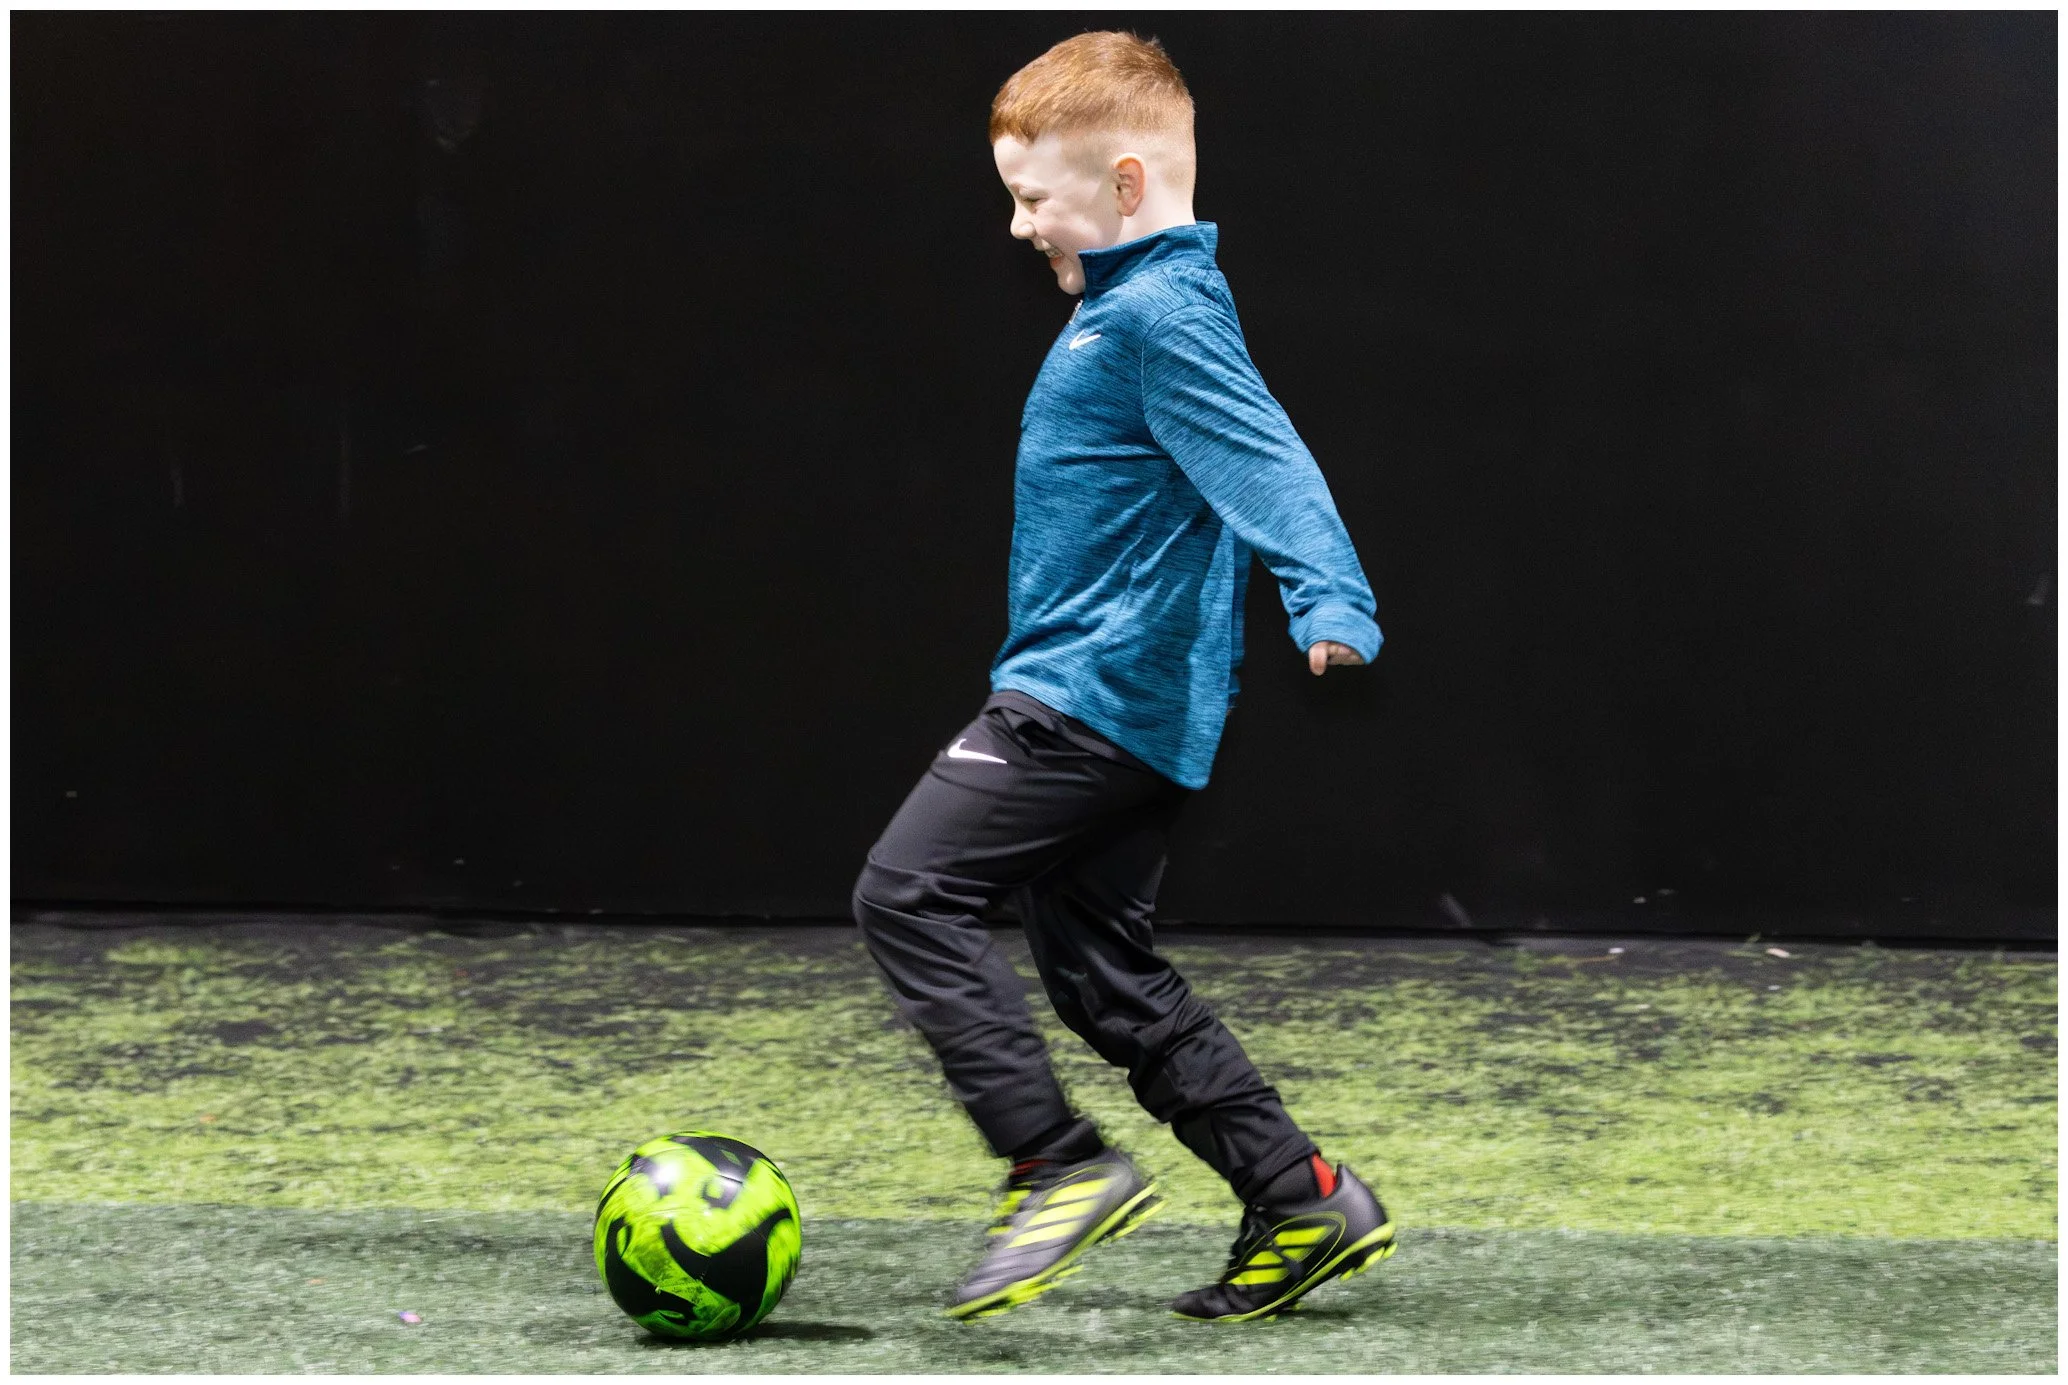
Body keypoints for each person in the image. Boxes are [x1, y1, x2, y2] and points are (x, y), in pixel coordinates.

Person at [851, 29, 1393, 1324]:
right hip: (1130, 712)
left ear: (1130, 185)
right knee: (1100, 974)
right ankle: (1300, 1192)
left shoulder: (1157, 314)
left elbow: (1274, 466)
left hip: (1087, 703)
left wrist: (1333, 600)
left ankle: (1058, 1167)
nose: (1018, 222)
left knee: (905, 892)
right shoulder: (1133, 310)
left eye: (1036, 196)